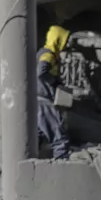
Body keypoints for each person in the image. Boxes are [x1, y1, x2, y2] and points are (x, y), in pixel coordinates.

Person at [37, 25, 71, 160]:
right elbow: (41, 72)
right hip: (45, 101)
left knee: (37, 137)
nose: (66, 44)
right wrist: (55, 83)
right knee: (59, 137)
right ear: (58, 40)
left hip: (37, 101)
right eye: (65, 40)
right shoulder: (48, 55)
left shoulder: (40, 52)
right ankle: (62, 167)